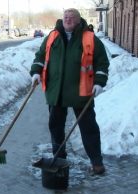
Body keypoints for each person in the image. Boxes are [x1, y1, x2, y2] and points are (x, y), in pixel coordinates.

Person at [30, 8, 109, 175]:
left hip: (82, 92)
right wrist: (36, 72)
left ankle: (96, 161)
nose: (68, 19)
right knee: (56, 127)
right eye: (66, 17)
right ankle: (59, 158)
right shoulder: (52, 37)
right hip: (56, 91)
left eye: (72, 17)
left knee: (89, 128)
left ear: (78, 21)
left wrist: (99, 82)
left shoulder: (90, 38)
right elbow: (40, 56)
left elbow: (102, 62)